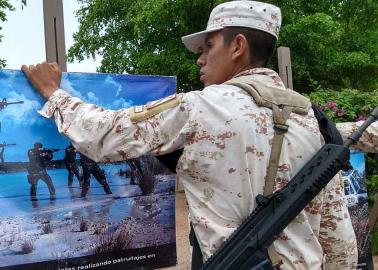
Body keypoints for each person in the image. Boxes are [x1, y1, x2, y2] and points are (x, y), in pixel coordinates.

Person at [21, 1, 378, 269]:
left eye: (208, 47)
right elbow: (337, 233)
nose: (199, 59)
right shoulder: (312, 118)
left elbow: (104, 135)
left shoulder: (202, 107)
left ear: (237, 47)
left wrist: (55, 94)